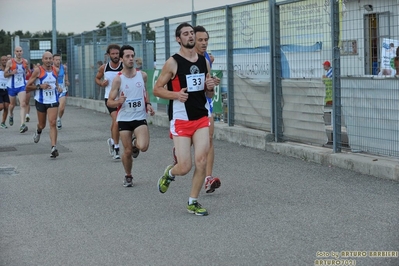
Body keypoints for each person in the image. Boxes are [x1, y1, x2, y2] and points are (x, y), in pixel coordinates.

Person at [153, 22, 216, 216]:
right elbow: (157, 89)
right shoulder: (173, 62)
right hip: (181, 118)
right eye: (186, 34)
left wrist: (211, 86)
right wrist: (176, 95)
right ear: (178, 39)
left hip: (201, 117)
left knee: (202, 159)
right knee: (185, 167)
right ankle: (170, 173)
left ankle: (193, 201)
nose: (190, 36)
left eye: (191, 33)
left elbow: (209, 94)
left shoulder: (203, 61)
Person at [107, 45, 155, 187]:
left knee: (144, 146)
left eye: (132, 56)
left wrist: (148, 104)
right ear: (121, 59)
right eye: (127, 56)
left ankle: (136, 144)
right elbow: (109, 102)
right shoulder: (118, 79)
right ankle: (128, 175)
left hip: (140, 117)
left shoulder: (142, 75)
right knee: (127, 152)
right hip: (125, 118)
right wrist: (118, 102)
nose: (131, 59)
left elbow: (145, 92)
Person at [26, 51, 62, 158]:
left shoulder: (56, 70)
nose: (48, 61)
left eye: (50, 58)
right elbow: (27, 87)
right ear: (42, 59)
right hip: (41, 101)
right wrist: (39, 86)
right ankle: (38, 131)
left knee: (53, 122)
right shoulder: (38, 71)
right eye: (46, 59)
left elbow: (55, 83)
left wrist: (58, 87)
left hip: (53, 100)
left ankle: (53, 147)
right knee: (42, 125)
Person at [95, 44, 123, 160]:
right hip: (110, 99)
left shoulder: (124, 66)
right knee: (117, 121)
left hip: (122, 98)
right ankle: (116, 148)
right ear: (108, 55)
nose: (115, 56)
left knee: (116, 122)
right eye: (113, 54)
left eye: (117, 53)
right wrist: (101, 83)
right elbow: (97, 78)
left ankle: (112, 140)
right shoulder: (104, 68)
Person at [4, 46, 29, 133]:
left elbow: (27, 71)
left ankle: (22, 124)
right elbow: (5, 74)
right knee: (12, 105)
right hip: (11, 86)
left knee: (23, 104)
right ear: (15, 52)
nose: (19, 53)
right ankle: (11, 114)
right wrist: (11, 73)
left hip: (21, 85)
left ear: (22, 52)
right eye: (17, 51)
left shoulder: (25, 62)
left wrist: (27, 72)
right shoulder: (10, 62)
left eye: (20, 51)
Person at [53, 54, 70, 129]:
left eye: (59, 60)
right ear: (53, 60)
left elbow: (65, 74)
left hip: (62, 88)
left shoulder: (64, 67)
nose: (58, 61)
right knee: (54, 107)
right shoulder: (50, 68)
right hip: (53, 89)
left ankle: (59, 118)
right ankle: (53, 120)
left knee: (62, 107)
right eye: (56, 60)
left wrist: (66, 81)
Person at [0, 55, 10, 129]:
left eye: (5, 60)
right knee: (1, 106)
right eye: (3, 60)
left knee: (6, 107)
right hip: (0, 89)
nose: (4, 61)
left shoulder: (9, 70)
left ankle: (3, 123)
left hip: (7, 89)